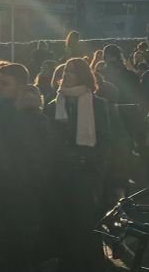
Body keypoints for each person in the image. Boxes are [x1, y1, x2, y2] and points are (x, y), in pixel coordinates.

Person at [0, 63, 53, 272]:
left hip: (22, 197)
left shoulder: (35, 118)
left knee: (19, 253)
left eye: (5, 83)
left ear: (20, 87)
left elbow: (41, 158)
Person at [45, 57, 111, 272]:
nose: (66, 76)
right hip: (61, 172)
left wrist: (94, 165)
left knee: (86, 222)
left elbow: (104, 139)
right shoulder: (54, 104)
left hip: (87, 171)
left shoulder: (97, 104)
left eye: (71, 72)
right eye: (64, 71)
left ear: (82, 75)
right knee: (64, 222)